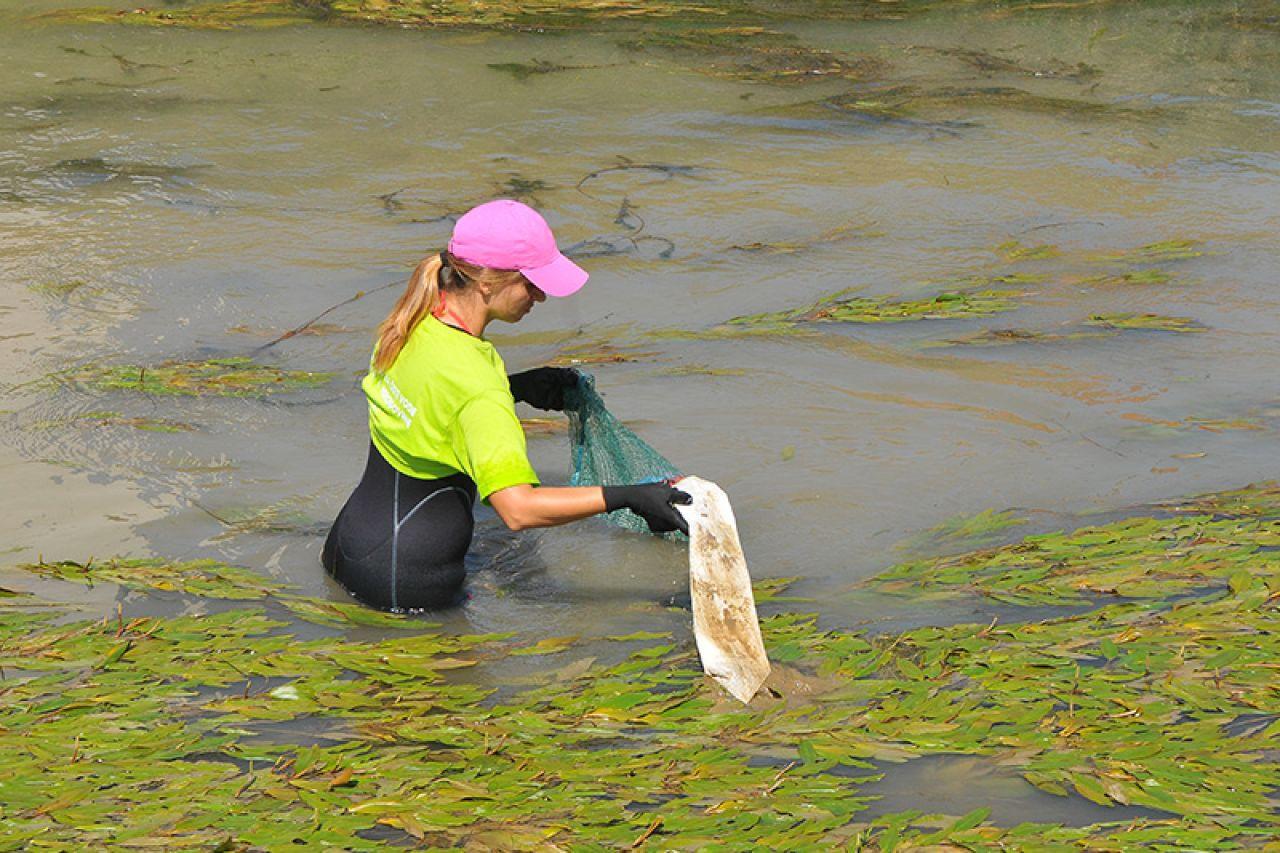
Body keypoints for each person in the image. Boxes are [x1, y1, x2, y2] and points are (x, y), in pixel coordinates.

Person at [322, 199, 691, 611]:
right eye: (530, 283)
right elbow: (518, 510)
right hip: (412, 582)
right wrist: (629, 496)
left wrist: (517, 387)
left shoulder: (410, 322)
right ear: (486, 281)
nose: (541, 297)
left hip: (348, 549)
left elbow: (432, 406)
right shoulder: (480, 388)